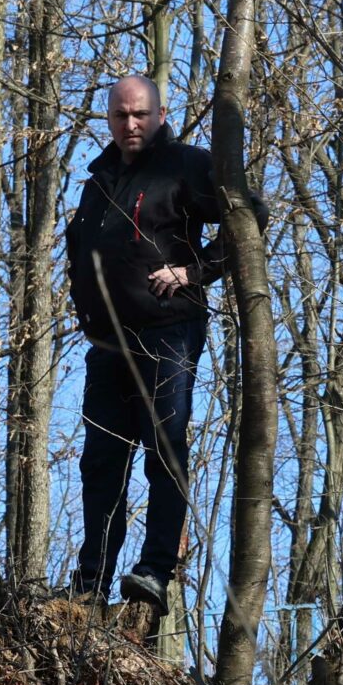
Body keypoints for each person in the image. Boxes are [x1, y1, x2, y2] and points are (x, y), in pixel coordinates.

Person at [63, 72, 228, 622]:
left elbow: (245, 219)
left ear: (159, 114)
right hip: (107, 343)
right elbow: (80, 248)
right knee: (101, 462)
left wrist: (194, 271)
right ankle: (91, 583)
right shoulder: (99, 179)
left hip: (166, 333)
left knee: (164, 449)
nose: (130, 124)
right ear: (108, 119)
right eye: (120, 115)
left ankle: (155, 570)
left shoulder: (186, 164)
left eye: (140, 114)